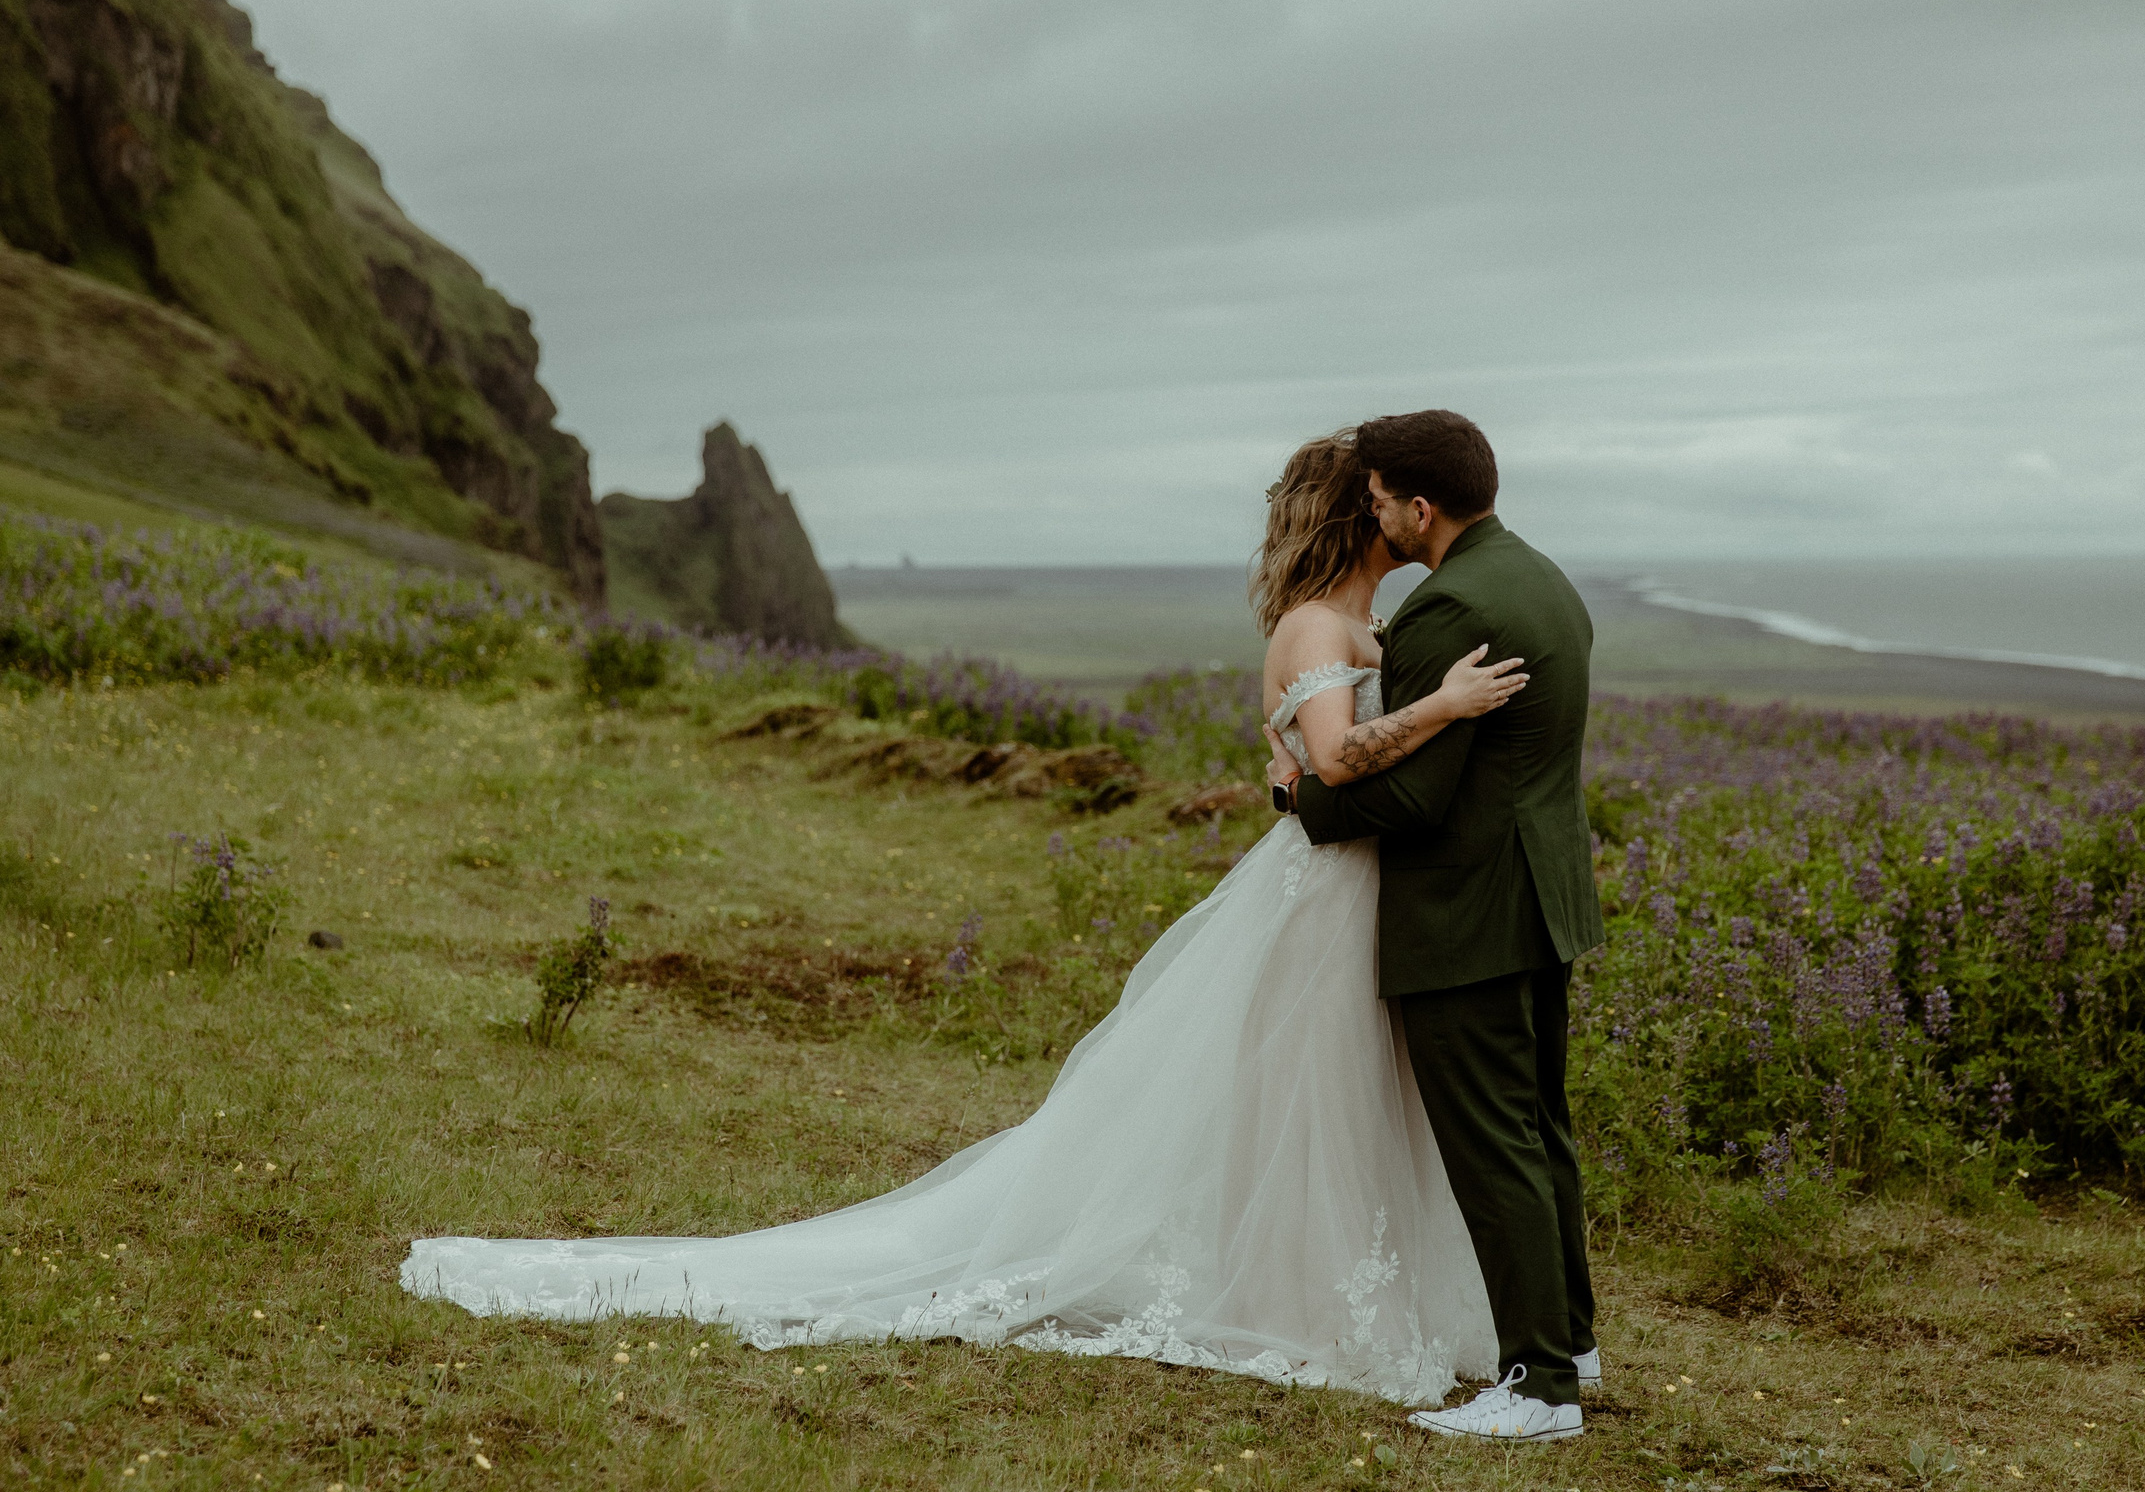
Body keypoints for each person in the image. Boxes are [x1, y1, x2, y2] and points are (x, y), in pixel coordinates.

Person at [399, 430, 1528, 1407]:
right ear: (1363, 511)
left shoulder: (1348, 625)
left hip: (1348, 886)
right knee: (1306, 1096)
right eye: (1382, 496)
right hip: (1319, 903)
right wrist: (1440, 706)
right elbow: (1328, 759)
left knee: (1336, 1102)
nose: (1397, 511)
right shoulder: (1320, 632)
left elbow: (1287, 771)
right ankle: (1303, 1309)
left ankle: (1326, 1294)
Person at [1267, 407, 1605, 1443]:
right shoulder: (1542, 579)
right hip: (1538, 899)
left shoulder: (1445, 612)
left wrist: (1301, 805)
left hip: (1465, 910)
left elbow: (1412, 801)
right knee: (1538, 1132)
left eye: (1380, 501)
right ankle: (1570, 1346)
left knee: (1493, 1145)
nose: (1373, 516)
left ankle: (1540, 1390)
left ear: (1419, 507)